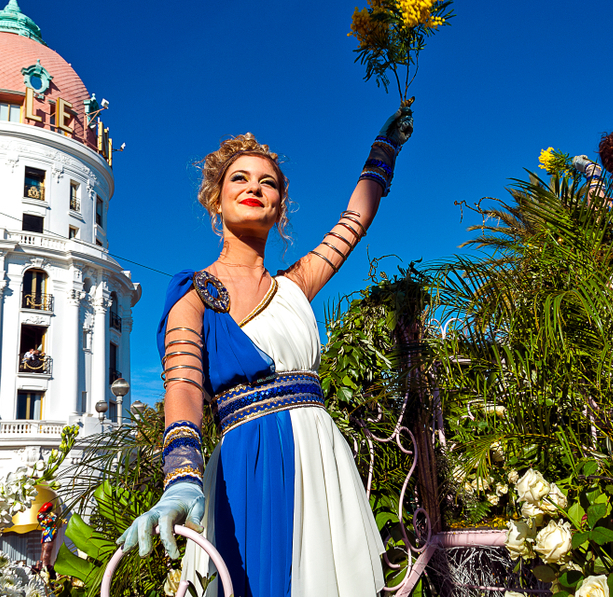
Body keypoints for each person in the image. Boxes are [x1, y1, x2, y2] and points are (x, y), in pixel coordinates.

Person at [117, 106, 414, 597]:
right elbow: (185, 385)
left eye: (268, 183)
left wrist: (384, 151)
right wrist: (182, 478)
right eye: (240, 178)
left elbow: (354, 221)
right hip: (245, 465)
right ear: (216, 199)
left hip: (320, 459)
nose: (254, 187)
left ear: (279, 207)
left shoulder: (295, 286)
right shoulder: (193, 295)